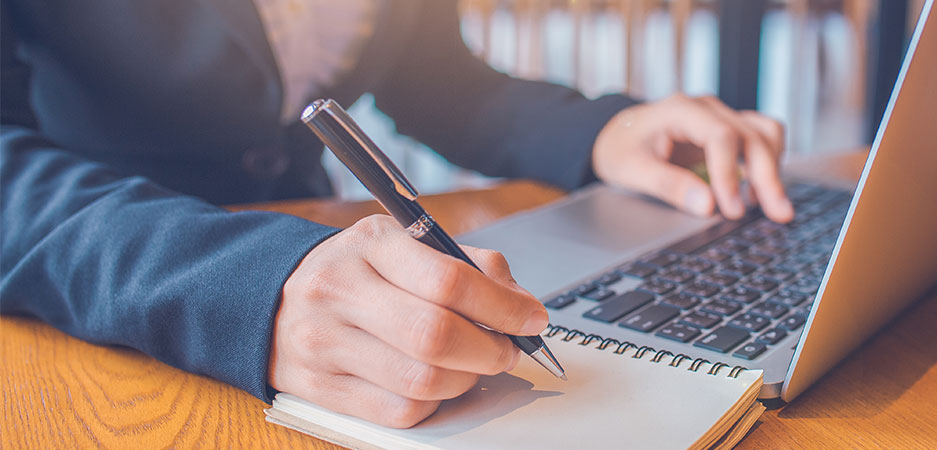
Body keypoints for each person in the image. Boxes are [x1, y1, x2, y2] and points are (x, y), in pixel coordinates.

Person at [0, 0, 793, 428]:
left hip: (327, 265)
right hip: (94, 296)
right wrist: (250, 284)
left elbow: (438, 82)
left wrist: (602, 131)